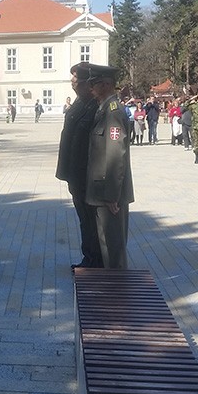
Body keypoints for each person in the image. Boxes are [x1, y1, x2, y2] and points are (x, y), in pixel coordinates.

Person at [84, 64, 134, 269]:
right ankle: (113, 287)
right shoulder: (103, 109)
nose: (90, 89)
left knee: (113, 248)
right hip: (102, 191)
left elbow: (116, 153)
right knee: (107, 245)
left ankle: (119, 291)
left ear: (105, 85)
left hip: (109, 194)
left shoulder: (112, 112)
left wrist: (113, 194)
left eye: (93, 84)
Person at [56, 63, 101, 269]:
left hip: (85, 174)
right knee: (84, 219)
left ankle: (94, 260)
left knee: (90, 220)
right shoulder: (80, 103)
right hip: (74, 172)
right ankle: (89, 257)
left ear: (87, 84)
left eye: (76, 82)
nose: (73, 85)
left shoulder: (95, 106)